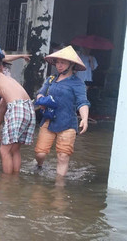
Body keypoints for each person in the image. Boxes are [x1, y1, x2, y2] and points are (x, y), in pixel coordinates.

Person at [34, 45, 90, 177]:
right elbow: (40, 93)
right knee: (40, 153)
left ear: (71, 64)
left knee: (63, 156)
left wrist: (85, 119)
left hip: (68, 123)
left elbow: (83, 102)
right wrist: (41, 100)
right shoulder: (51, 79)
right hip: (49, 120)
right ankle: (39, 165)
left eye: (63, 62)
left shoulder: (77, 83)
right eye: (57, 62)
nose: (59, 65)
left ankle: (59, 187)